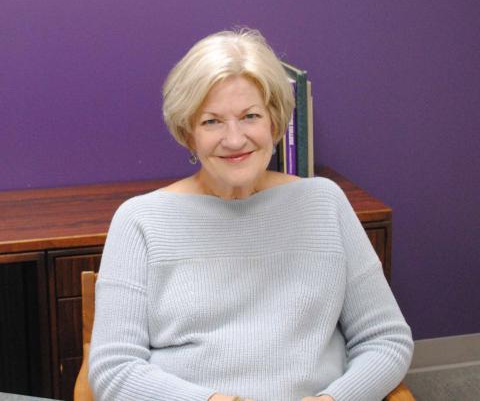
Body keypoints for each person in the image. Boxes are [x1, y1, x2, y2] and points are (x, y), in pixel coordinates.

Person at [89, 29, 413, 401]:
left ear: (274, 123)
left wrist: (335, 399)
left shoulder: (325, 203)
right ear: (187, 131)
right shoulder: (139, 221)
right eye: (212, 121)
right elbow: (114, 370)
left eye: (250, 116)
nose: (234, 139)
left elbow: (385, 339)